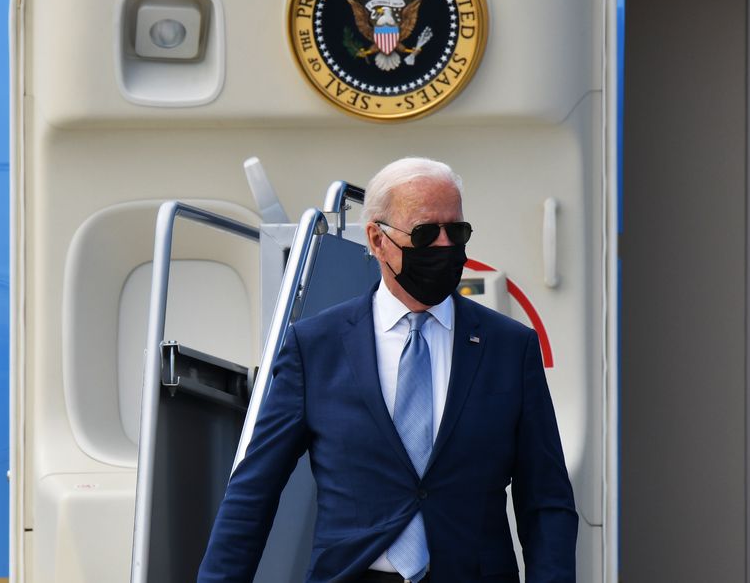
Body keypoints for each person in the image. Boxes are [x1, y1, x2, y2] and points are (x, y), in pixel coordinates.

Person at [197, 157, 577, 582]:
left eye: (457, 231)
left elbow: (546, 501)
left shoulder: (509, 347)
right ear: (377, 240)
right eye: (425, 233)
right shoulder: (316, 347)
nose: (444, 246)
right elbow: (254, 490)